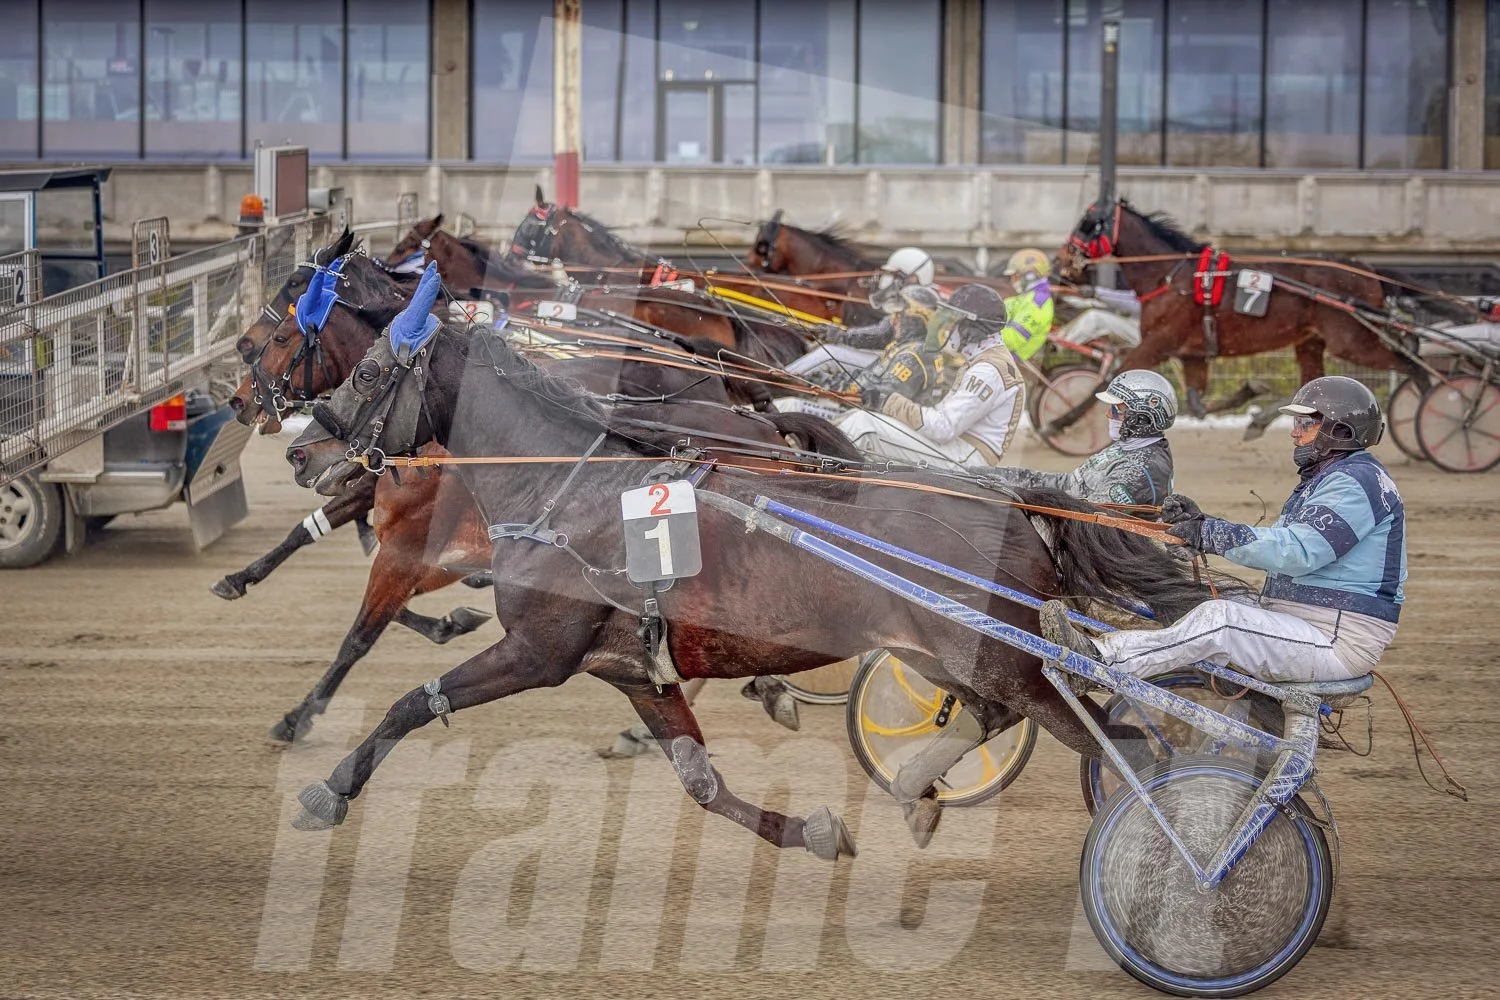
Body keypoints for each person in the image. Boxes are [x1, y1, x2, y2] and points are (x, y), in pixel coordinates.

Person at [1041, 376, 1406, 686]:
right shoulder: (1332, 479)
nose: (1294, 434)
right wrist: (1201, 525)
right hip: (1306, 620)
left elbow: (1296, 552)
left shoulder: (1356, 483)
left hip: (1336, 638)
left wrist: (1212, 534)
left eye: (1305, 424)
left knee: (1221, 621)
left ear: (1339, 431)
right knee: (1208, 603)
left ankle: (1099, 663)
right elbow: (1282, 548)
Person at [836, 283, 1025, 470]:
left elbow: (944, 427)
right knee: (862, 416)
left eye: (954, 322)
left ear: (970, 329)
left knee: (864, 427)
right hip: (958, 448)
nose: (947, 328)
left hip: (967, 459)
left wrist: (888, 402)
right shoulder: (983, 360)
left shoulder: (987, 371)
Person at [979, 369, 1176, 506]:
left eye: (1117, 410)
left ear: (1141, 417)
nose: (1108, 415)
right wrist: (1000, 476)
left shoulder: (1136, 470)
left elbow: (1087, 519)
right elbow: (1068, 485)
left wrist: (1014, 492)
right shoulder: (1132, 447)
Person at [785, 246, 937, 382]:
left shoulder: (917, 304)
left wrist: (840, 336)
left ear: (911, 278)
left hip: (900, 366)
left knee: (830, 354)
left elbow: (881, 335)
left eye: (892, 276)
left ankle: (783, 378)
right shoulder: (923, 299)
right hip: (900, 360)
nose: (886, 281)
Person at [999, 248, 1056, 364]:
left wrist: (983, 336)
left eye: (1015, 276)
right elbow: (1006, 307)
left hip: (1014, 364)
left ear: (1029, 276)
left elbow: (1012, 340)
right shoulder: (1028, 297)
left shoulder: (1036, 303)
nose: (1012, 281)